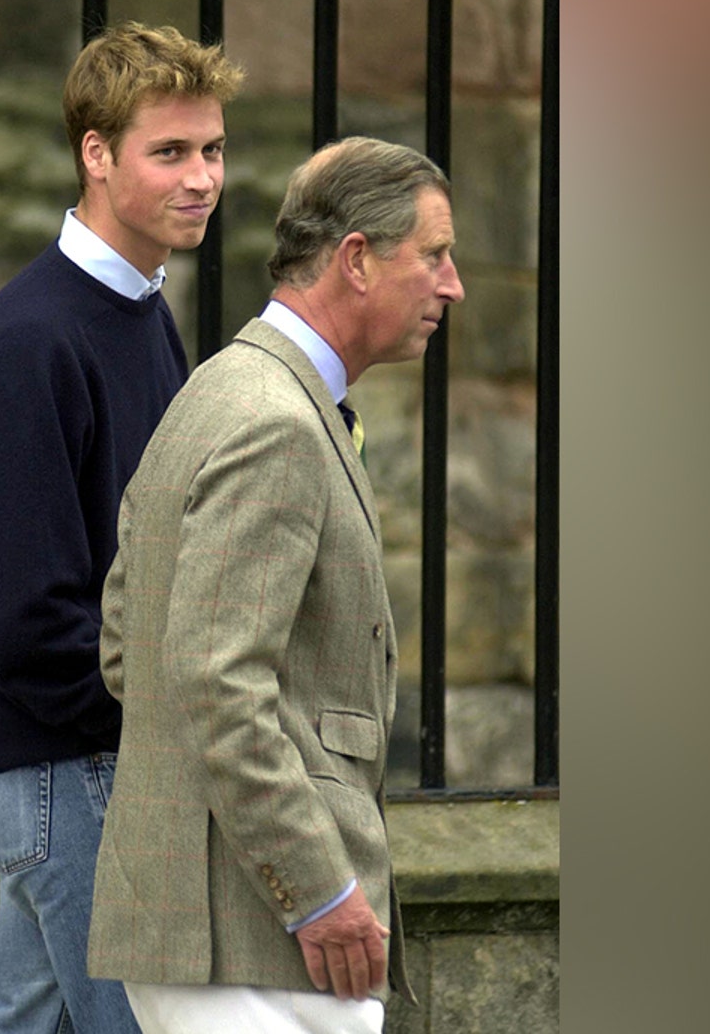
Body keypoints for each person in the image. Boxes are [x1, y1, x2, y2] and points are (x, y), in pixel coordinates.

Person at [87, 136, 464, 1034]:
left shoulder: (223, 387)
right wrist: (317, 889)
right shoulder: (275, 422)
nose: (451, 286)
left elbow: (128, 644)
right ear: (357, 259)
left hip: (217, 935)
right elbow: (214, 679)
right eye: (436, 255)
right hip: (254, 946)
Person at [0, 22, 244, 1034]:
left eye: (212, 149)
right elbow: (21, 620)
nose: (202, 178)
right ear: (96, 154)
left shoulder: (141, 308)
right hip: (68, 775)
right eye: (171, 151)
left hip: (83, 767)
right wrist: (158, 726)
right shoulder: (36, 341)